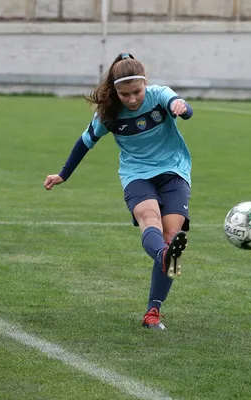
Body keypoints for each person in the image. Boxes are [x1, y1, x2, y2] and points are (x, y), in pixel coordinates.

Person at [43, 52, 193, 331]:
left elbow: (181, 105)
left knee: (172, 236)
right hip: (137, 175)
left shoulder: (159, 95)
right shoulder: (108, 114)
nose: (133, 99)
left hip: (173, 171)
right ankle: (164, 256)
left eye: (137, 92)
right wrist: (63, 174)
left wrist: (181, 108)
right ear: (115, 91)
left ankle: (152, 312)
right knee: (151, 219)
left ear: (145, 84)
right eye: (125, 95)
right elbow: (84, 143)